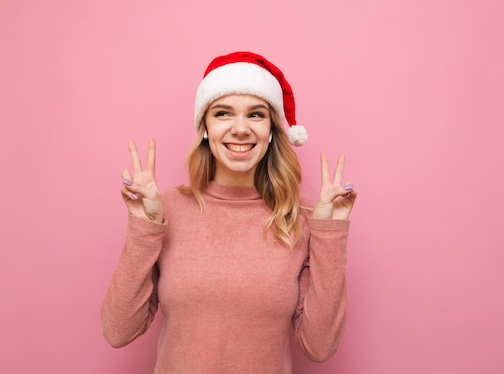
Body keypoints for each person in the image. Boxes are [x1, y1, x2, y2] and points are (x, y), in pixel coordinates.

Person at [101, 51, 357, 373]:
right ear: (205, 126)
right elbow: (118, 330)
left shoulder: (301, 219)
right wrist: (144, 227)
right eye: (223, 113)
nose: (240, 129)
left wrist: (329, 238)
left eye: (255, 115)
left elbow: (319, 347)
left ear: (271, 130)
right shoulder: (167, 210)